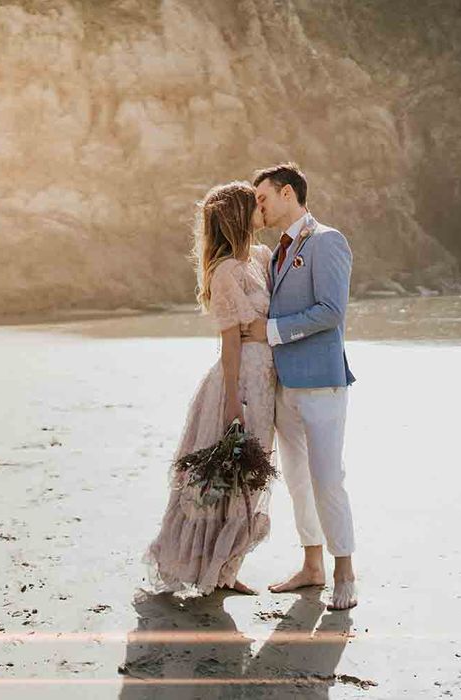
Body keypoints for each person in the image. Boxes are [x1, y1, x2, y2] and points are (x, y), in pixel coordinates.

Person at [142, 181, 276, 597]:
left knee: (250, 474)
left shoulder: (259, 256)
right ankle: (213, 566)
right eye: (253, 205)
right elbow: (231, 343)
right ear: (239, 215)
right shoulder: (224, 273)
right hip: (239, 381)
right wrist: (233, 401)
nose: (261, 209)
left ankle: (226, 566)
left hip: (266, 377)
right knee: (227, 474)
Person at [241, 162, 358, 611]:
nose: (260, 207)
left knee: (328, 478)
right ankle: (312, 566)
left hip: (322, 383)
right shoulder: (277, 252)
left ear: (287, 193)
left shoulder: (328, 241)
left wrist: (270, 330)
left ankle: (344, 570)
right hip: (284, 386)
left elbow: (331, 311)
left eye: (263, 198)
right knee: (296, 480)